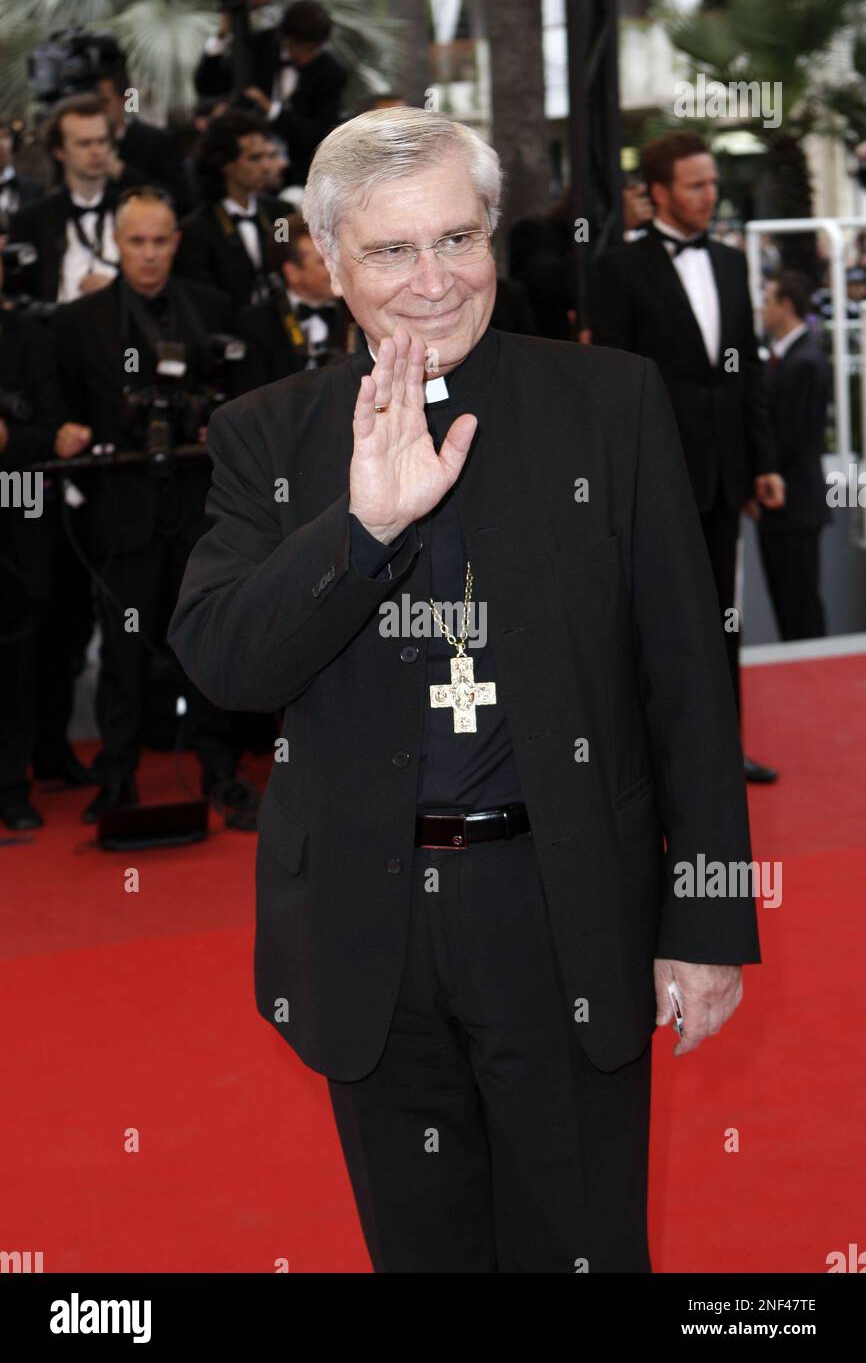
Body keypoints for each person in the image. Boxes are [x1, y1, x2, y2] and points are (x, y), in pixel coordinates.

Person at [167, 107, 760, 1274]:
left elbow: (689, 683)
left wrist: (704, 919)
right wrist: (366, 528)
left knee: (582, 1245)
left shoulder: (610, 403)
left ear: (494, 236)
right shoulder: (263, 435)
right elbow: (227, 661)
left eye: (458, 238)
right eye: (391, 251)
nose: (433, 281)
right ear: (328, 262)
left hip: (563, 908)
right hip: (365, 927)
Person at [54, 188, 257, 827]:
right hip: (122, 510)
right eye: (137, 241)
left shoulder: (214, 310)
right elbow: (65, 411)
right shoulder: (79, 321)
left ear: (177, 240)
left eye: (160, 240)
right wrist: (71, 431)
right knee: (123, 650)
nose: (149, 255)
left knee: (208, 638)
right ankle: (116, 777)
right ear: (117, 242)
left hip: (201, 509)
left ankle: (218, 771)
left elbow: (246, 406)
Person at [588, 131, 785, 785]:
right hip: (654, 475)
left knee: (723, 618)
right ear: (659, 193)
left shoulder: (732, 263)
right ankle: (653, 758)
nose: (710, 194)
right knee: (655, 620)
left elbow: (746, 372)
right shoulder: (617, 270)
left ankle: (723, 749)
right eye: (696, 185)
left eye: (713, 183)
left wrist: (764, 461)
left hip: (725, 474)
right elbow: (607, 386)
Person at [0, 254, 93, 829]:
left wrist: (12, 439)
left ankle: (12, 784)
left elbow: (57, 433)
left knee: (20, 660)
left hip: (17, 522)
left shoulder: (30, 337)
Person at [194, 0, 346, 188]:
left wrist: (271, 109)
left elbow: (321, 133)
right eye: (305, 49)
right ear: (287, 39)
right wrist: (221, 36)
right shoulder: (256, 47)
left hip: (300, 173)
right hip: (243, 168)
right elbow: (208, 85)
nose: (310, 56)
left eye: (315, 49)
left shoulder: (330, 71)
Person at [8, 95, 143, 303]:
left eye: (102, 141)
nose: (96, 151)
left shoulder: (136, 212)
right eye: (84, 144)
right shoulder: (30, 221)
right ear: (59, 151)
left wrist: (117, 290)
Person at [756, 272, 831, 641]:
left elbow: (792, 437)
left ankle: (816, 687)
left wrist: (762, 471)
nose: (761, 308)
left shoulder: (805, 361)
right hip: (782, 507)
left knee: (800, 608)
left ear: (786, 306)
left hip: (795, 505)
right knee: (788, 606)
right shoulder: (788, 358)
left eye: (767, 300)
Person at [175, 109, 286, 311]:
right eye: (254, 158)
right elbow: (204, 302)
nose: (266, 166)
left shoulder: (281, 215)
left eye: (266, 156)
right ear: (225, 164)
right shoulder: (196, 231)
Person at [233, 221, 350, 392]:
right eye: (322, 261)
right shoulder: (255, 325)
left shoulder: (358, 312)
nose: (337, 268)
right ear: (292, 272)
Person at [95, 61, 190, 216]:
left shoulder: (159, 141)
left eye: (104, 102)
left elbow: (179, 200)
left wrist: (121, 172)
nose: (96, 110)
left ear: (124, 99)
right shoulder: (70, 146)